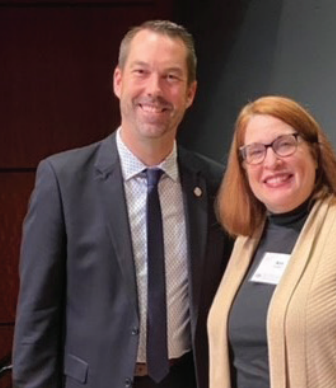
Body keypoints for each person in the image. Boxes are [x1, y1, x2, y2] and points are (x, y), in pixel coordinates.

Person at [12, 20, 232, 388]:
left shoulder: (216, 184)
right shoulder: (63, 180)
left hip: (187, 380)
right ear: (118, 81)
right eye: (141, 72)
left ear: (191, 93)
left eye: (171, 77)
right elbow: (37, 315)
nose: (154, 90)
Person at [208, 95, 336, 388]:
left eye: (285, 144)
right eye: (255, 151)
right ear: (243, 167)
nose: (272, 161)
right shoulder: (246, 240)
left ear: (314, 154)